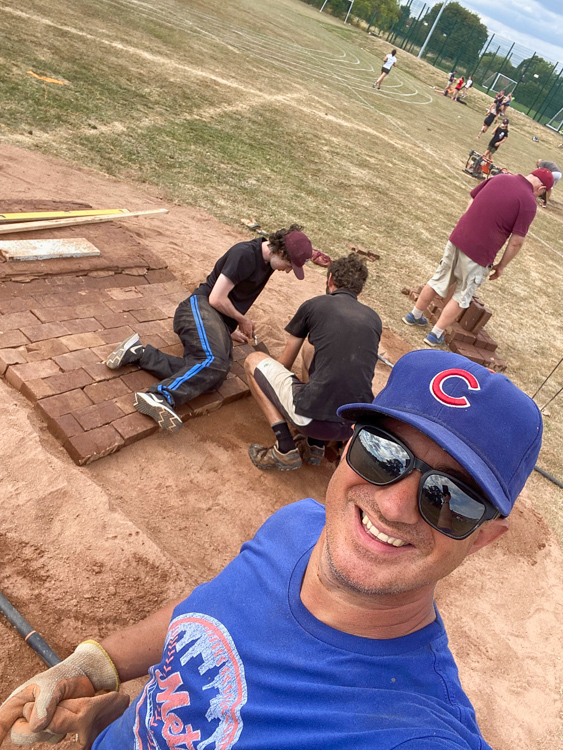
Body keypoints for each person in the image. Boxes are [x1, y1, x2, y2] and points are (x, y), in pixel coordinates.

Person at [0, 350, 543, 750]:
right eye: (384, 452)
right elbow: (208, 611)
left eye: (450, 498)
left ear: (484, 537)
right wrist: (97, 670)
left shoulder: (411, 732)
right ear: (345, 448)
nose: (395, 506)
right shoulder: (299, 525)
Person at [104, 226, 312, 431]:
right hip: (197, 307)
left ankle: (139, 354)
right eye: (289, 265)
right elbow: (216, 298)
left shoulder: (269, 261)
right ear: (281, 251)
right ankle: (160, 396)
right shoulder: (244, 254)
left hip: (214, 318)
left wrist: (225, 329)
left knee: (213, 378)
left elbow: (231, 298)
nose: (287, 271)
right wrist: (242, 320)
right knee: (214, 362)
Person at [244, 253, 382, 471]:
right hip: (350, 426)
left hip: (310, 420)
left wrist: (266, 380)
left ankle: (284, 447)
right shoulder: (374, 319)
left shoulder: (314, 305)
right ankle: (315, 446)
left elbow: (285, 364)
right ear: (360, 290)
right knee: (314, 348)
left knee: (253, 361)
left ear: (330, 279)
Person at [402, 169, 553, 347]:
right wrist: (501, 266)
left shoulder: (500, 178)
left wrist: (468, 227)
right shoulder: (528, 203)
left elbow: (471, 200)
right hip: (480, 252)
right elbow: (516, 242)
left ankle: (414, 315)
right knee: (462, 295)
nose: (539, 196)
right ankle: (435, 334)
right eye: (542, 194)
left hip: (458, 237)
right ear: (541, 188)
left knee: (439, 278)